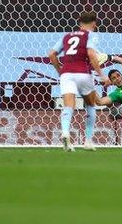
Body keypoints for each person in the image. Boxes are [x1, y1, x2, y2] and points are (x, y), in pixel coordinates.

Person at [48, 11, 109, 151]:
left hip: (67, 74)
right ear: (94, 23)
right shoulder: (91, 35)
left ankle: (64, 132)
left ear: (80, 23)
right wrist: (102, 75)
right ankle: (88, 141)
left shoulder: (66, 36)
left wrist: (60, 71)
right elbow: (91, 55)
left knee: (69, 105)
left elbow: (51, 54)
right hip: (83, 73)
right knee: (91, 105)